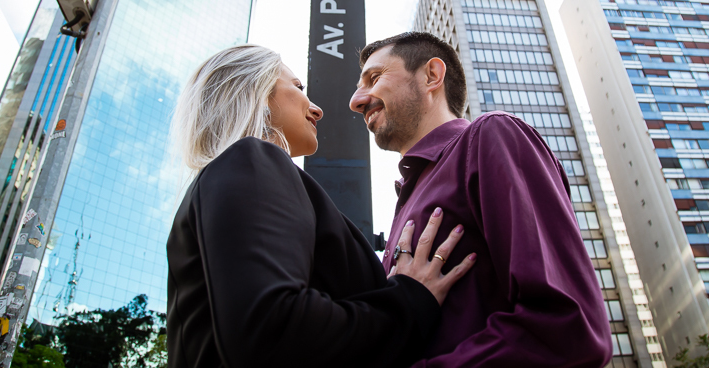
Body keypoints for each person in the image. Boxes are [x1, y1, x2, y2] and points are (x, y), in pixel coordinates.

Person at [166, 44, 476, 368]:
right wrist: (411, 298)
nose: (317, 110)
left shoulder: (229, 178)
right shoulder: (252, 159)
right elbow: (272, 330)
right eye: (298, 87)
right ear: (255, 90)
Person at [349, 32, 613, 367]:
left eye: (374, 78)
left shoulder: (492, 135)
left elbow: (569, 330)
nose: (356, 101)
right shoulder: (408, 195)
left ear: (432, 75)